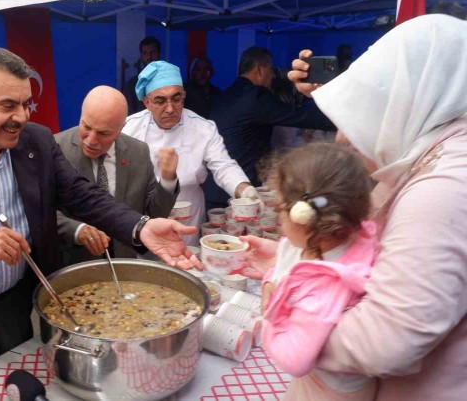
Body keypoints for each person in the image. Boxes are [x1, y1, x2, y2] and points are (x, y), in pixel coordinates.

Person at [0, 48, 201, 394]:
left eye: (25, 104)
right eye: (8, 105)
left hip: (16, 308)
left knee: (16, 390)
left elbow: (83, 196)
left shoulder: (36, 141)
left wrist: (141, 225)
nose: (21, 117)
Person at [242, 14, 467, 400]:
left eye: (366, 110)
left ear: (406, 102)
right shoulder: (438, 154)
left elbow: (388, 340)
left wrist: (287, 311)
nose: (344, 138)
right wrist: (295, 258)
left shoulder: (445, 187)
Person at [259, 142, 377, 400]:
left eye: (279, 209)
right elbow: (284, 264)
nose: (276, 217)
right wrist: (271, 283)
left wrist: (269, 316)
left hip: (332, 390)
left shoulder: (328, 287)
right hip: (315, 376)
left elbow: (294, 359)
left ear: (303, 220)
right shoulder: (307, 242)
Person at [122, 60, 258, 245]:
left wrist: (245, 189)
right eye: (160, 101)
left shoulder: (203, 128)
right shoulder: (129, 129)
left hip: (190, 212)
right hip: (145, 214)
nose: (170, 108)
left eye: (176, 99)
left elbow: (223, 166)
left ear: (184, 96)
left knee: (186, 264)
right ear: (147, 102)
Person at [54, 86, 179, 265]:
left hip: (124, 263)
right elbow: (40, 211)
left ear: (121, 128)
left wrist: (168, 180)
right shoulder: (56, 147)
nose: (91, 140)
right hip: (74, 264)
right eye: (86, 127)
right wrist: (76, 229)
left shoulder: (138, 152)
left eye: (103, 133)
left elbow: (152, 215)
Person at [210, 47, 335, 187]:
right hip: (241, 185)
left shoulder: (226, 94)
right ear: (259, 69)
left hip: (217, 182)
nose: (273, 75)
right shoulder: (255, 96)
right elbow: (300, 116)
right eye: (270, 69)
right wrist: (340, 118)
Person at [122, 36, 161, 115]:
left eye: (152, 52)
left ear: (159, 54)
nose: (149, 57)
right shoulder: (131, 85)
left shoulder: (169, 81)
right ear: (141, 55)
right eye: (145, 53)